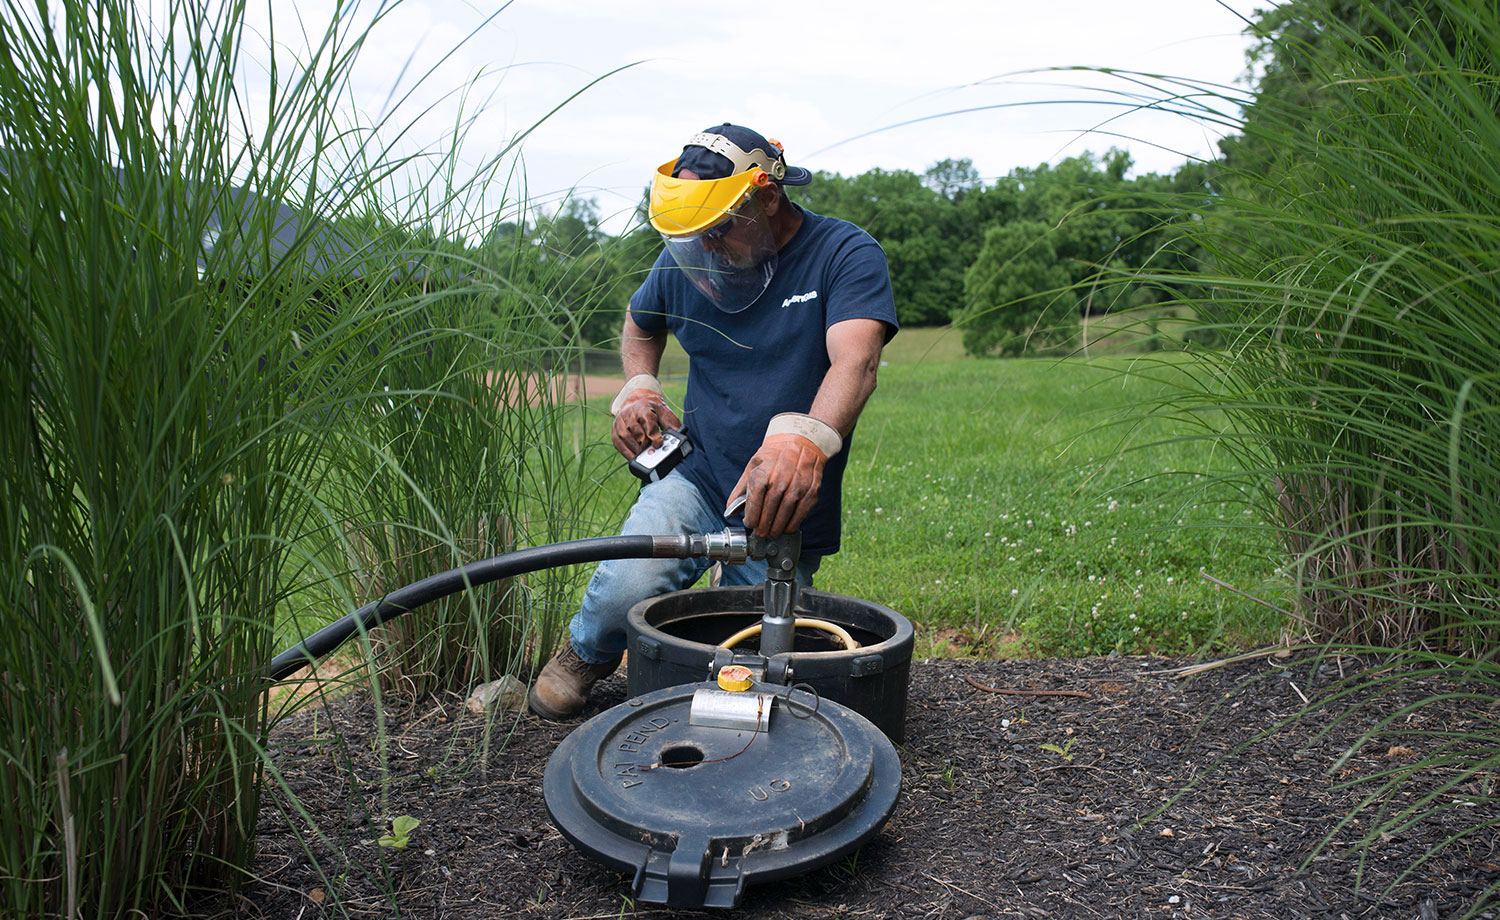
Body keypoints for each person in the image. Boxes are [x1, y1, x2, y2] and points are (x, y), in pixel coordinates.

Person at [528, 123, 898, 720]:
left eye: (719, 230)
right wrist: (638, 388)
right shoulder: (691, 255)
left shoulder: (844, 254)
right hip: (698, 472)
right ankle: (581, 657)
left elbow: (857, 362)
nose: (706, 251)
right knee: (626, 587)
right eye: (693, 238)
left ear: (767, 198)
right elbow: (640, 323)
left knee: (749, 649)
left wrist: (804, 443)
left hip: (779, 497)